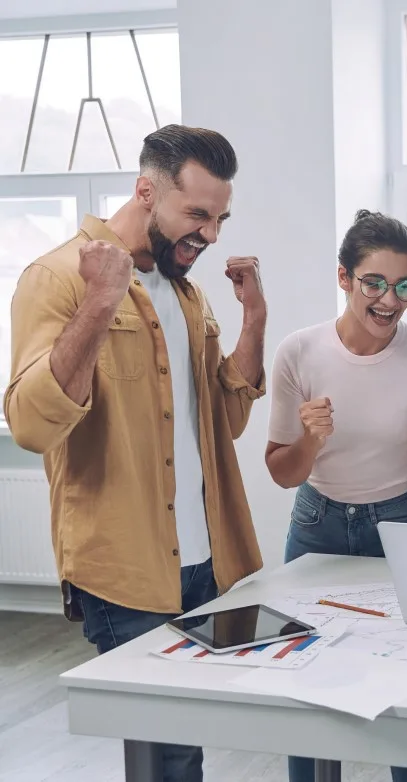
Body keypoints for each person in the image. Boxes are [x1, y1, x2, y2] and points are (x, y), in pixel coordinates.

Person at [4, 124, 265, 781]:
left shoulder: (185, 289)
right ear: (146, 191)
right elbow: (32, 424)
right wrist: (99, 300)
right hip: (123, 569)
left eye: (221, 217)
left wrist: (253, 319)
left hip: (206, 559)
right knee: (167, 751)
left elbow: (223, 425)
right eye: (198, 214)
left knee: (187, 737)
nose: (210, 234)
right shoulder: (57, 276)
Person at [266, 210, 407, 782]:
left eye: (404, 285)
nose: (389, 300)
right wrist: (310, 440)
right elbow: (283, 472)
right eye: (374, 284)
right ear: (343, 278)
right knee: (305, 678)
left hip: (403, 524)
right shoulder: (298, 352)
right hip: (317, 523)